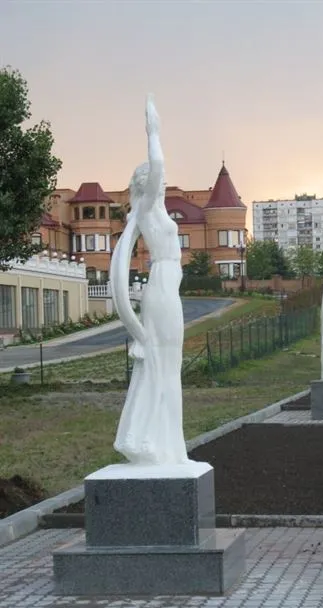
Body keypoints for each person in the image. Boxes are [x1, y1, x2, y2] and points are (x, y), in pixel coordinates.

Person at [110, 95, 188, 466]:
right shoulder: (147, 209)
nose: (164, 182)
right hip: (162, 293)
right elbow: (157, 162)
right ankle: (163, 447)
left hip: (162, 291)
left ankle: (166, 446)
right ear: (147, 183)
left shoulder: (145, 212)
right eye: (159, 180)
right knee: (166, 370)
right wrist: (153, 131)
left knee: (166, 370)